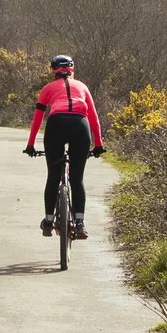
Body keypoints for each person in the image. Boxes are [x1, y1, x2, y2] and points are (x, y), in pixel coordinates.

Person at [22, 54, 104, 240]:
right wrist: (98, 144)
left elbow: (37, 119)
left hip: (56, 125)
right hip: (80, 126)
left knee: (53, 175)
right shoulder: (82, 87)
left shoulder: (48, 88)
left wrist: (30, 144)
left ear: (53, 70)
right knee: (77, 179)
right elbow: (94, 118)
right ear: (71, 70)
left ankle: (49, 220)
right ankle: (80, 222)